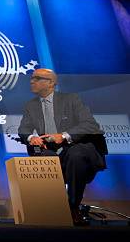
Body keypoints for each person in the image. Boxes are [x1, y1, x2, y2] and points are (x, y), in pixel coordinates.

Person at [18, 68, 106, 226]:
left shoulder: (71, 99)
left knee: (76, 154)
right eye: (31, 78)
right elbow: (23, 129)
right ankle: (51, 209)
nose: (32, 81)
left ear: (51, 83)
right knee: (45, 158)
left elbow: (90, 125)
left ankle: (72, 207)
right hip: (51, 150)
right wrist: (32, 138)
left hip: (76, 146)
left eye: (37, 78)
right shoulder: (31, 105)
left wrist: (64, 135)